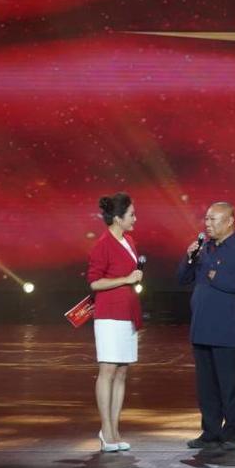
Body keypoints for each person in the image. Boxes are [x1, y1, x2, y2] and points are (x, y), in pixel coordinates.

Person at [176, 201, 235, 451]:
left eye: (213, 219)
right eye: (206, 219)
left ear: (229, 221)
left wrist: (218, 277)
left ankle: (232, 434)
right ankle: (210, 431)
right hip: (202, 328)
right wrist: (189, 258)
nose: (207, 224)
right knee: (206, 387)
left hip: (228, 330)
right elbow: (182, 278)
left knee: (229, 385)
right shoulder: (204, 249)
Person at [87, 192, 143, 452]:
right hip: (109, 315)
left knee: (122, 371)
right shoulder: (103, 244)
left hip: (128, 312)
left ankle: (115, 430)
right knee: (108, 370)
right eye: (131, 214)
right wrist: (126, 279)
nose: (135, 218)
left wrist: (133, 279)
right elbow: (94, 282)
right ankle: (106, 430)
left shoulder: (129, 240)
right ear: (118, 218)